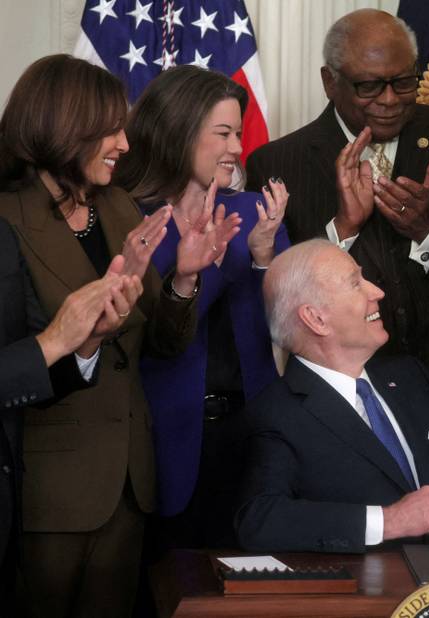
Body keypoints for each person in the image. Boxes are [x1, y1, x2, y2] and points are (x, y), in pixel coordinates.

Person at [0, 55, 239, 616]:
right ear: (66, 126)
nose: (125, 144)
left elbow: (159, 343)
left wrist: (183, 277)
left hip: (130, 485)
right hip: (48, 492)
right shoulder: (6, 218)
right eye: (111, 128)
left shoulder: (117, 205)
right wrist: (81, 338)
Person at [234, 239, 429, 552]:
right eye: (356, 283)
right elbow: (260, 520)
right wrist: (387, 521)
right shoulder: (277, 414)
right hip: (375, 600)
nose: (378, 292)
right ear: (316, 318)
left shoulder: (409, 377)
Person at [245, 9, 429, 376]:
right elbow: (281, 307)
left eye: (403, 82)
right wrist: (343, 229)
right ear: (330, 81)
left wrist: (427, 233)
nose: (389, 99)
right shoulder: (278, 165)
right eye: (369, 86)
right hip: (351, 394)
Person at [114, 65, 290, 549]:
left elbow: (284, 331)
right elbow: (146, 340)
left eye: (238, 131)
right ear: (179, 131)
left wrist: (262, 258)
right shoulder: (129, 218)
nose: (237, 146)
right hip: (166, 438)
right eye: (224, 133)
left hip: (254, 432)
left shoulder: (256, 212)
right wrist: (198, 268)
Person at [0, 217, 143, 601]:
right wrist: (51, 341)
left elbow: (35, 375)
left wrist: (87, 340)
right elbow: (41, 348)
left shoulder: (3, 233)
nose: (125, 150)